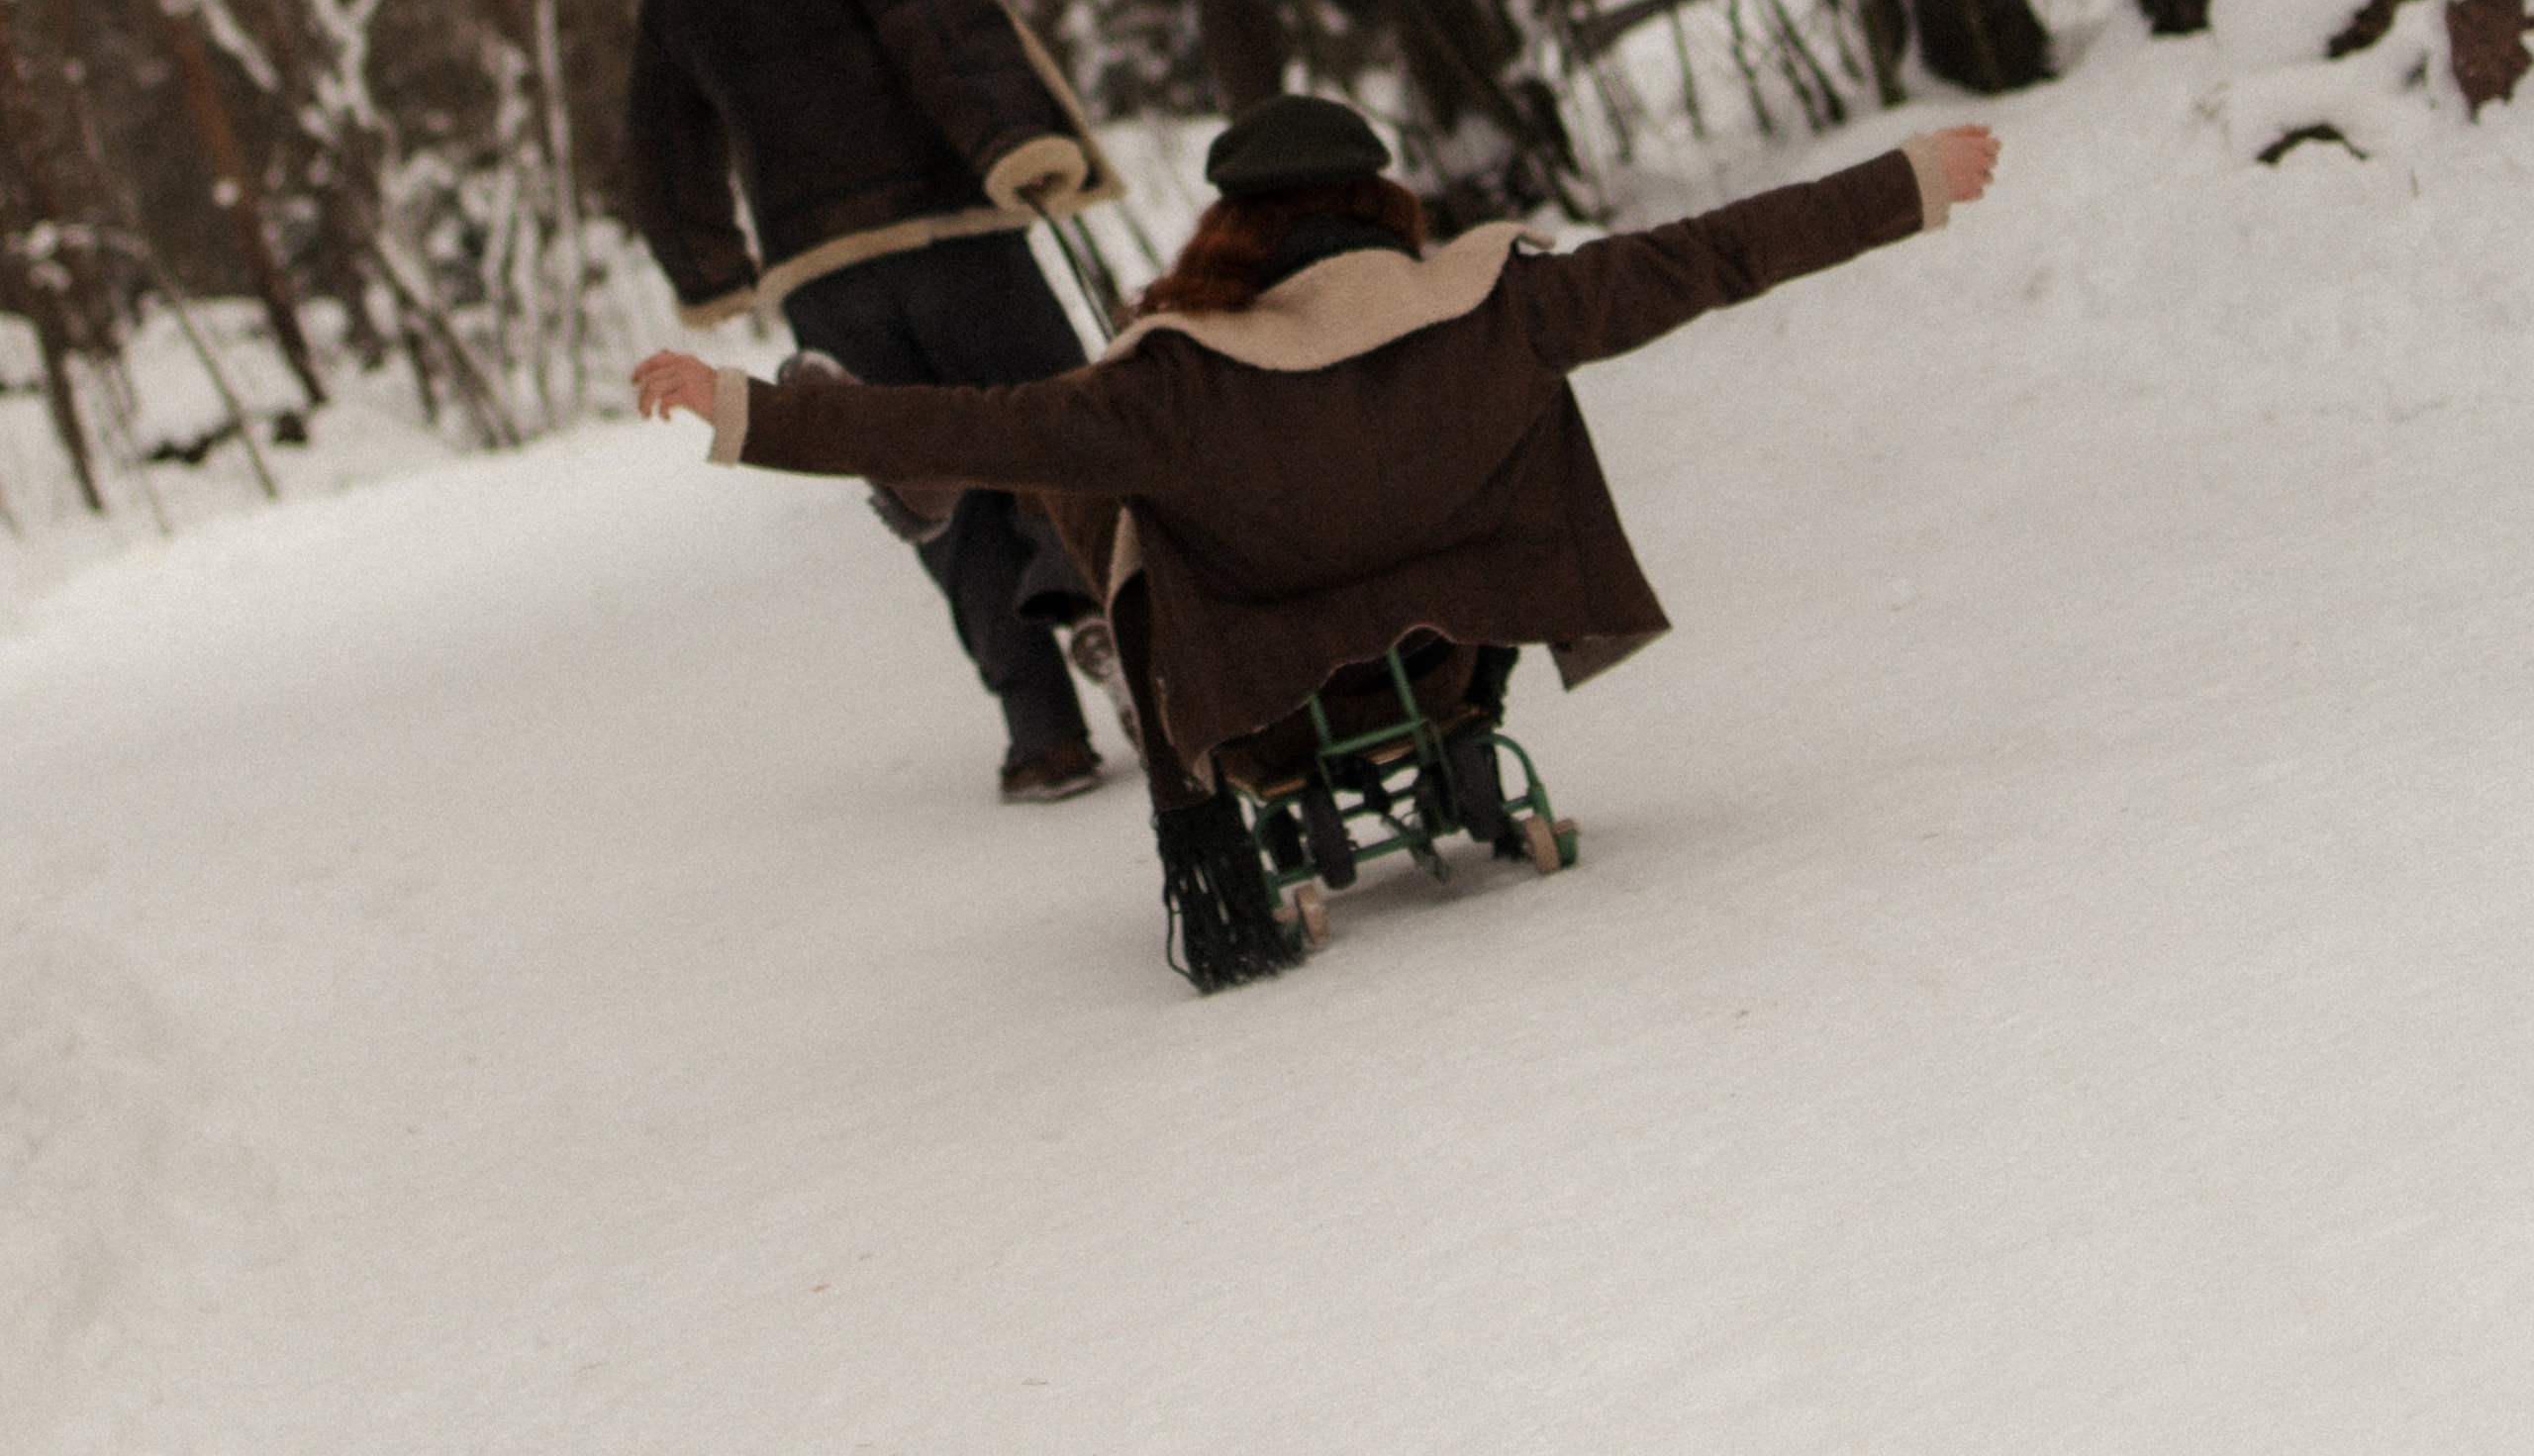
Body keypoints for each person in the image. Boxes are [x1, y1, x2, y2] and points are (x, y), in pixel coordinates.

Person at [636, 87, 1998, 978]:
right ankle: (1462, 742)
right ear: (1385, 207)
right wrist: (1907, 181)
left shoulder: (1172, 383)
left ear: (1233, 236)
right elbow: (1713, 253)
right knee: (1511, 442)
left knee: (1078, 462)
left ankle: (1197, 818)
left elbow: (968, 426)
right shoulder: (1500, 308)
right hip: (1462, 658)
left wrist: (750, 413)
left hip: (1264, 718)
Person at [628, 0, 1129, 802]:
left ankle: (1039, 734)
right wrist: (1013, 144)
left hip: (821, 272)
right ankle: (1108, 618)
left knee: (925, 488)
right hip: (949, 225)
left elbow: (658, 119)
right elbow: (940, 19)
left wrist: (708, 262)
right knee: (1052, 431)